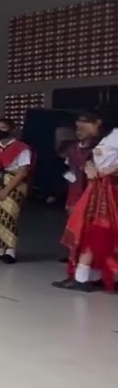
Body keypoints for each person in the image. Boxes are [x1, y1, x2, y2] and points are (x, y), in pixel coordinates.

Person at [57, 116, 117, 292]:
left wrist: (110, 171)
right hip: (99, 187)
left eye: (83, 125)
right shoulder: (101, 140)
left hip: (111, 189)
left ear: (98, 122)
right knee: (89, 229)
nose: (79, 129)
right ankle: (88, 276)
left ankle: (85, 277)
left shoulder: (116, 135)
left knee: (101, 230)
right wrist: (91, 167)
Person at [0, 118, 33, 264]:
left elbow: (22, 172)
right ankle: (0, 248)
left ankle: (10, 250)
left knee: (10, 215)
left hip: (14, 184)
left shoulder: (22, 148)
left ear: (12, 129)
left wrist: (7, 190)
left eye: (3, 128)